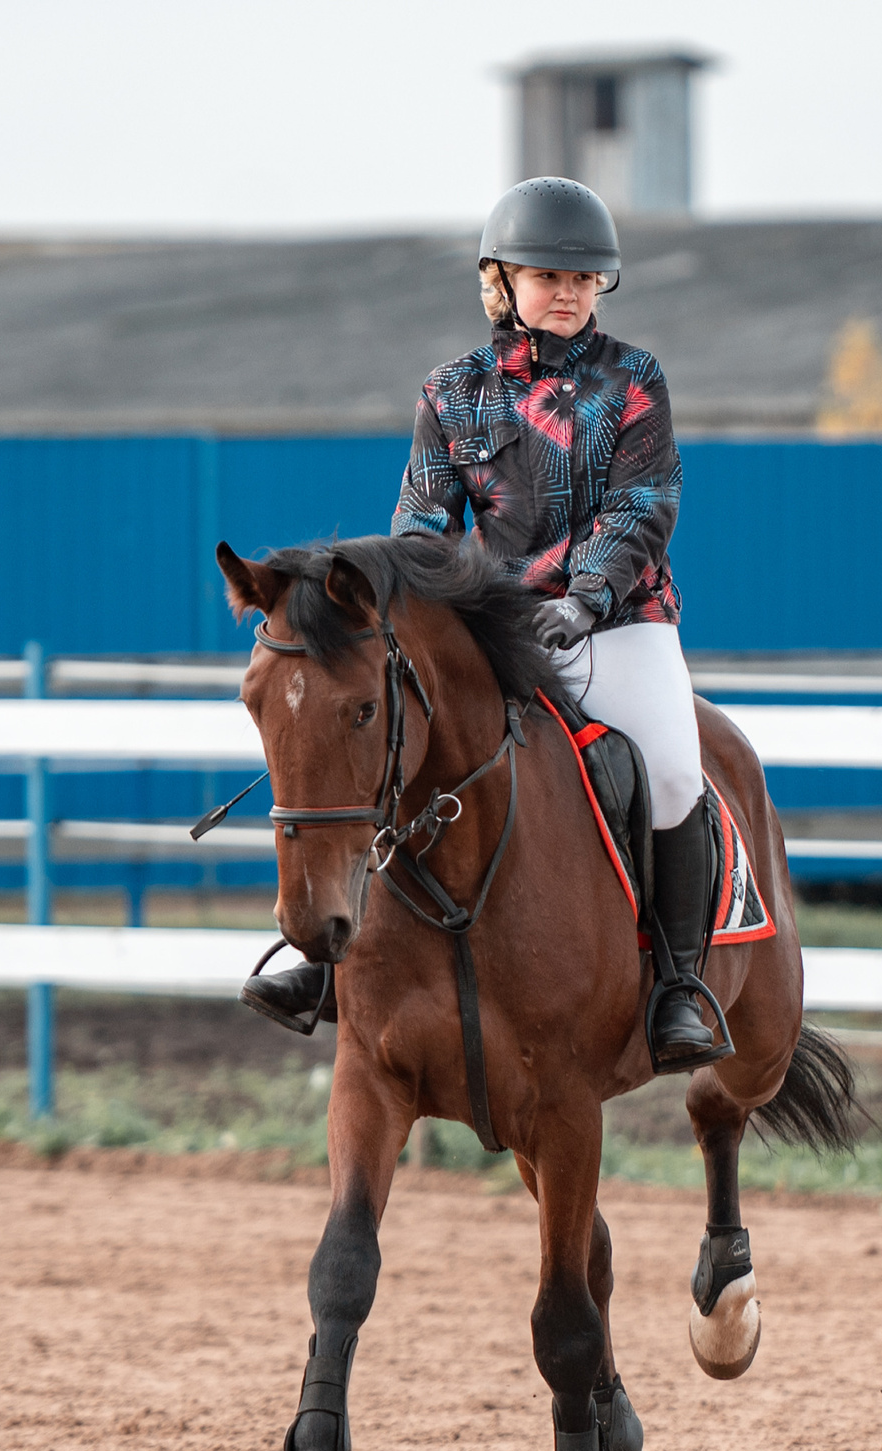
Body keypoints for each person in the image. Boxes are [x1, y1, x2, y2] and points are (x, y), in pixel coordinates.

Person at [243, 176, 728, 1071]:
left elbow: (643, 505)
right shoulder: (451, 392)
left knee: (670, 771)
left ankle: (678, 985)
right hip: (496, 630)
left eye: (584, 278)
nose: (569, 292)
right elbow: (422, 531)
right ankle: (332, 966)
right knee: (392, 750)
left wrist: (584, 597)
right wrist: (423, 617)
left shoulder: (635, 380)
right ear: (500, 282)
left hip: (620, 621)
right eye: (548, 276)